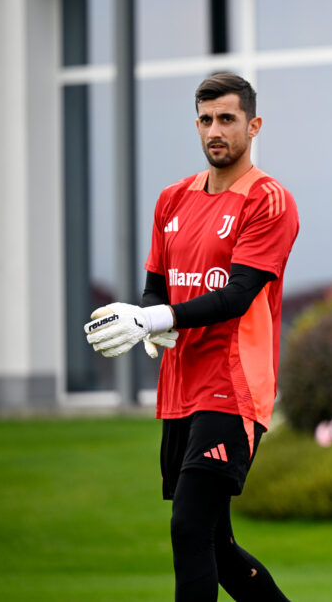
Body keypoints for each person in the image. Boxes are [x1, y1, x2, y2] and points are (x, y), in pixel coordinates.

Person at [84, 72, 299, 602]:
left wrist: (154, 321)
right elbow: (155, 288)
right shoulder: (171, 200)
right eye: (205, 120)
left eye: (227, 119)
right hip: (181, 390)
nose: (215, 130)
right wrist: (149, 318)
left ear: (254, 125)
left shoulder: (269, 200)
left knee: (188, 528)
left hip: (234, 387)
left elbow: (238, 295)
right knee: (217, 547)